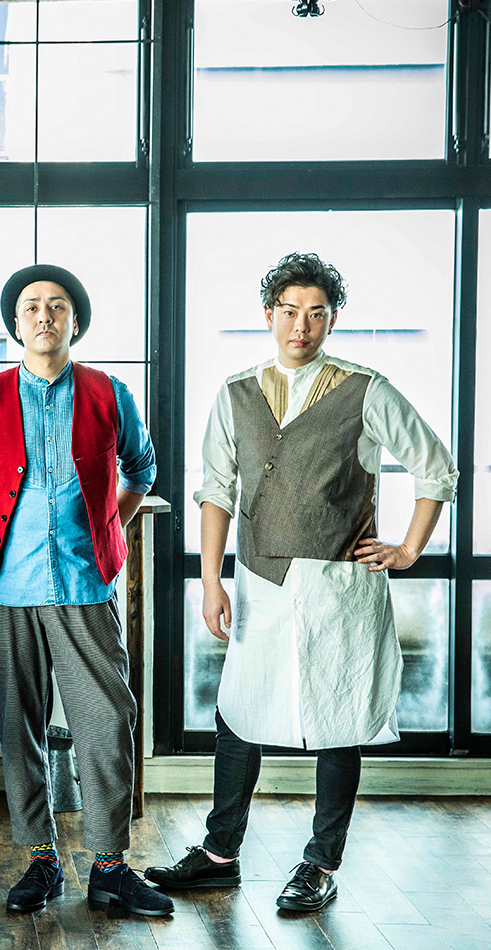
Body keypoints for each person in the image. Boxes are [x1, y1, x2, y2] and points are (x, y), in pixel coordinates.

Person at [145, 252, 458, 912]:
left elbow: (437, 468)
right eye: (290, 311)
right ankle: (219, 855)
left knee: (339, 719)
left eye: (317, 313)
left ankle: (320, 864)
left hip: (341, 586)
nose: (302, 326)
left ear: (332, 319)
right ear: (269, 315)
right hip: (260, 582)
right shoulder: (236, 393)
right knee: (239, 713)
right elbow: (216, 490)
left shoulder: (366, 390)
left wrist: (408, 549)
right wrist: (211, 579)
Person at [0, 264, 171, 917]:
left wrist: (110, 525)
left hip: (84, 582)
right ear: (16, 324)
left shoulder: (110, 394)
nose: (44, 316)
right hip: (5, 587)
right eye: (31, 307)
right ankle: (42, 859)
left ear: (75, 321)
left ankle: (109, 867)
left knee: (106, 719)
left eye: (57, 306)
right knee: (19, 726)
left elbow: (142, 468)